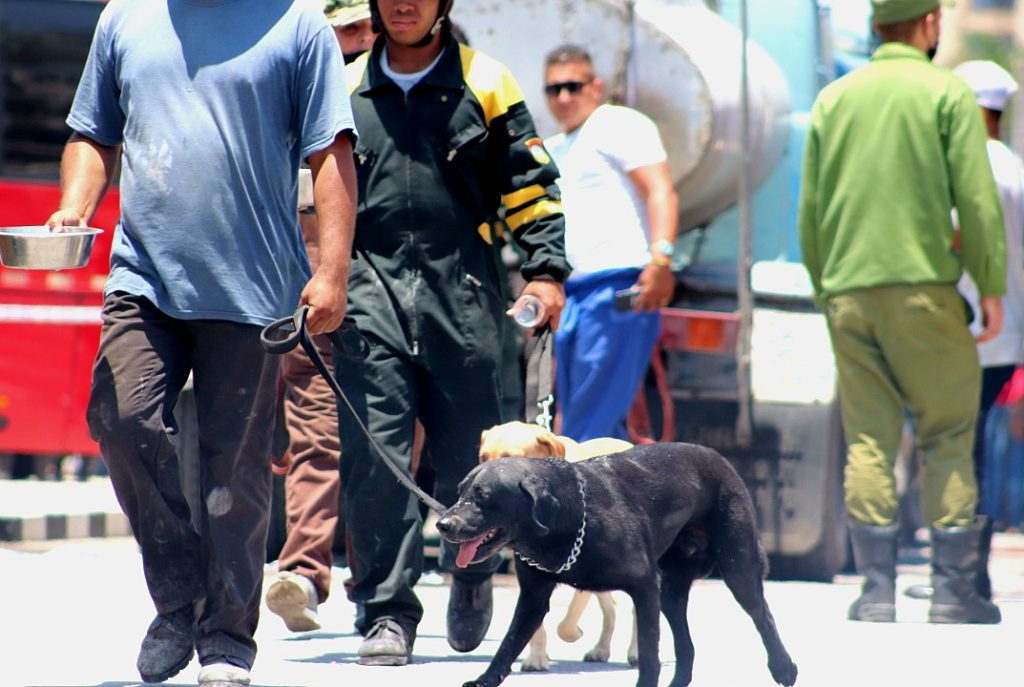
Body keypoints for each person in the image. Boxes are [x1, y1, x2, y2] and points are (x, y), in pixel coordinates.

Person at [47, 1, 358, 685]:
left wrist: (332, 271)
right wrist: (76, 205)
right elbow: (93, 132)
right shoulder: (124, 18)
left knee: (234, 473)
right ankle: (179, 591)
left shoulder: (300, 25)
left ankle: (226, 639)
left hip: (253, 287)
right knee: (120, 417)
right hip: (144, 275)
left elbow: (330, 149)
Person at [335, 0, 569, 667]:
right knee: (374, 456)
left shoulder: (487, 82)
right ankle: (385, 610)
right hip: (369, 296)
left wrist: (545, 270)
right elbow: (310, 186)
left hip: (464, 298)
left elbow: (531, 185)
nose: (402, 5)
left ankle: (469, 576)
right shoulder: (344, 88)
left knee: (475, 462)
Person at [798, 0, 1005, 625]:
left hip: (848, 294)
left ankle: (876, 591)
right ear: (931, 23)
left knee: (868, 439)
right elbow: (976, 197)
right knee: (946, 431)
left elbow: (810, 210)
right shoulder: (945, 94)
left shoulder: (834, 99)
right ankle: (951, 592)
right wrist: (991, 289)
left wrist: (825, 288)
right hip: (923, 292)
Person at [264, 0, 378, 636]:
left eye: (367, 27)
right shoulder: (293, 83)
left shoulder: (401, 85)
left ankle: (379, 578)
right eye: (346, 30)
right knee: (314, 428)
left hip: (391, 277)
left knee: (391, 431)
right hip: (308, 267)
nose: (357, 40)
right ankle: (305, 572)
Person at [542, 44, 678, 442]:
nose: (564, 97)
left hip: (618, 288)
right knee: (574, 421)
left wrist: (662, 259)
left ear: (595, 86)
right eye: (554, 90)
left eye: (573, 86)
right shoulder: (554, 148)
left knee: (590, 427)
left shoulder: (618, 124)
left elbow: (660, 191)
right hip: (572, 294)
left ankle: (586, 504)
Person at [951, 59, 1024, 599]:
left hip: (961, 328)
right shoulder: (1018, 171)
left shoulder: (965, 171)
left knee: (956, 448)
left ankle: (960, 575)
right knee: (980, 448)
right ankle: (969, 574)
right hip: (1007, 336)